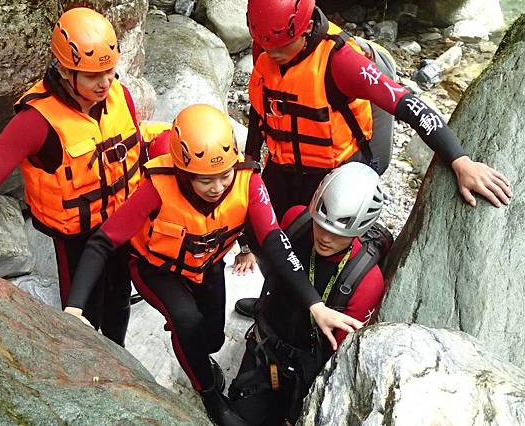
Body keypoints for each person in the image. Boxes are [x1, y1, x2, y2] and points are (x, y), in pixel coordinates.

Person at [63, 104, 362, 426]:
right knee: (186, 321)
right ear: (182, 171)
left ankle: (196, 354)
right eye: (205, 180)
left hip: (208, 264)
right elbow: (102, 241)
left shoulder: (248, 183)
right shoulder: (156, 188)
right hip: (157, 269)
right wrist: (75, 307)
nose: (218, 187)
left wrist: (314, 304)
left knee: (213, 340)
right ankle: (208, 393)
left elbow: (275, 241)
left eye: (224, 175)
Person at [234, 0, 513, 317]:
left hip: (331, 173)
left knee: (320, 250)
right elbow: (262, 106)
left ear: (305, 29)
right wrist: (250, 157)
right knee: (266, 240)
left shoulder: (341, 61)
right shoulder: (269, 40)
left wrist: (459, 159)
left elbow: (407, 104)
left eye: (281, 47)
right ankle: (274, 303)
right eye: (266, 46)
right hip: (284, 165)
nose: (272, 55)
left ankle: (320, 317)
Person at [0, 7, 144, 346]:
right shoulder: (37, 121)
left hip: (120, 226)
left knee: (118, 299)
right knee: (83, 314)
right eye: (92, 75)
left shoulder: (119, 94)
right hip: (77, 241)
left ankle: (120, 354)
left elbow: (136, 154)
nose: (105, 83)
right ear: (65, 69)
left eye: (110, 71)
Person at [229, 162, 388, 425]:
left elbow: (341, 356)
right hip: (266, 345)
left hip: (304, 371)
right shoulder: (297, 220)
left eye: (338, 233)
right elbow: (276, 267)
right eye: (322, 225)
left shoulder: (366, 282)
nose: (325, 237)